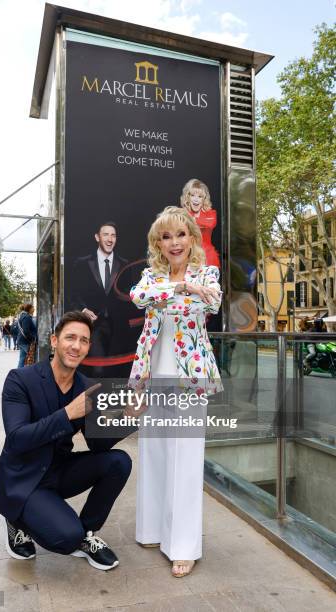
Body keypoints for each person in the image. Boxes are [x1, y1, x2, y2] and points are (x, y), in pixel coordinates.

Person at [0, 310, 132, 571]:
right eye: (70, 338)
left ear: (89, 347)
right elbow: (18, 438)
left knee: (119, 461)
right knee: (66, 537)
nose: (76, 346)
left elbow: (98, 445)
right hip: (24, 479)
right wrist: (68, 414)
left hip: (59, 471)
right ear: (54, 341)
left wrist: (129, 417)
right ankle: (15, 517)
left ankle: (87, 534)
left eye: (84, 340)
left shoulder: (86, 386)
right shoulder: (20, 380)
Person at [129, 206, 223, 578]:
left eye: (180, 235)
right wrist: (181, 286)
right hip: (154, 373)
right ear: (158, 243)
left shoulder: (208, 273)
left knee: (185, 456)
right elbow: (139, 297)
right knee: (153, 450)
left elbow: (212, 299)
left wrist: (190, 287)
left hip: (189, 376)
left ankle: (184, 545)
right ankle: (152, 529)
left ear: (192, 238)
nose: (174, 243)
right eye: (166, 237)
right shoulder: (151, 276)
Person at [69, 221, 132, 377]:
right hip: (93, 326)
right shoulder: (82, 263)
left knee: (117, 372)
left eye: (113, 235)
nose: (110, 239)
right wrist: (83, 309)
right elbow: (72, 294)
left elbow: (129, 295)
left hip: (119, 328)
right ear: (97, 237)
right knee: (97, 371)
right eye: (106, 234)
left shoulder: (125, 264)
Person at [180, 178, 220, 268]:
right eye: (193, 195)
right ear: (187, 197)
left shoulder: (211, 213)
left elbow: (210, 224)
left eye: (200, 196)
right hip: (187, 256)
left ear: (204, 199)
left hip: (208, 257)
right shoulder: (182, 214)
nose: (196, 200)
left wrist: (191, 220)